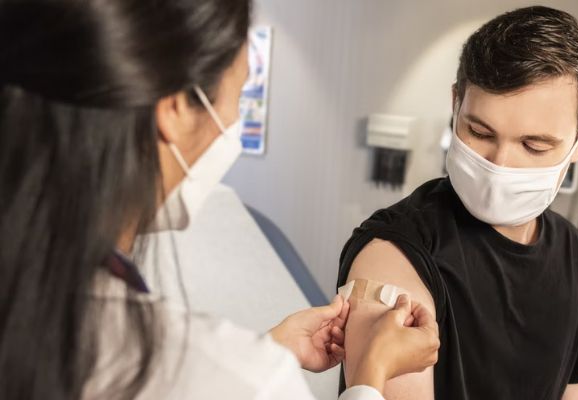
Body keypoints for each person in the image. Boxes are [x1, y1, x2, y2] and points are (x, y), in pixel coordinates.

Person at [0, 1, 440, 399]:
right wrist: (368, 377)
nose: (233, 120)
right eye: (243, 94)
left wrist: (268, 349)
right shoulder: (238, 377)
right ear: (174, 108)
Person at [338, 6, 578, 400]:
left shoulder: (574, 255)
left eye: (533, 145)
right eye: (479, 131)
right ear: (456, 105)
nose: (498, 164)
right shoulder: (395, 252)